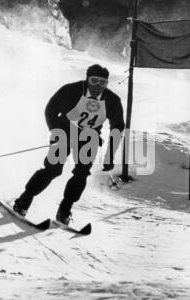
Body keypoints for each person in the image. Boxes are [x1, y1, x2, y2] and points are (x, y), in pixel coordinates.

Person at [13, 64, 125, 225]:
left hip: (89, 138)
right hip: (64, 131)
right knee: (53, 169)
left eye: (102, 83)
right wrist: (56, 132)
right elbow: (50, 110)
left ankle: (65, 210)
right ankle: (24, 200)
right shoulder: (71, 90)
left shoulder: (112, 100)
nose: (97, 87)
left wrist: (109, 156)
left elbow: (117, 127)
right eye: (94, 81)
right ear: (87, 79)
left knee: (81, 173)